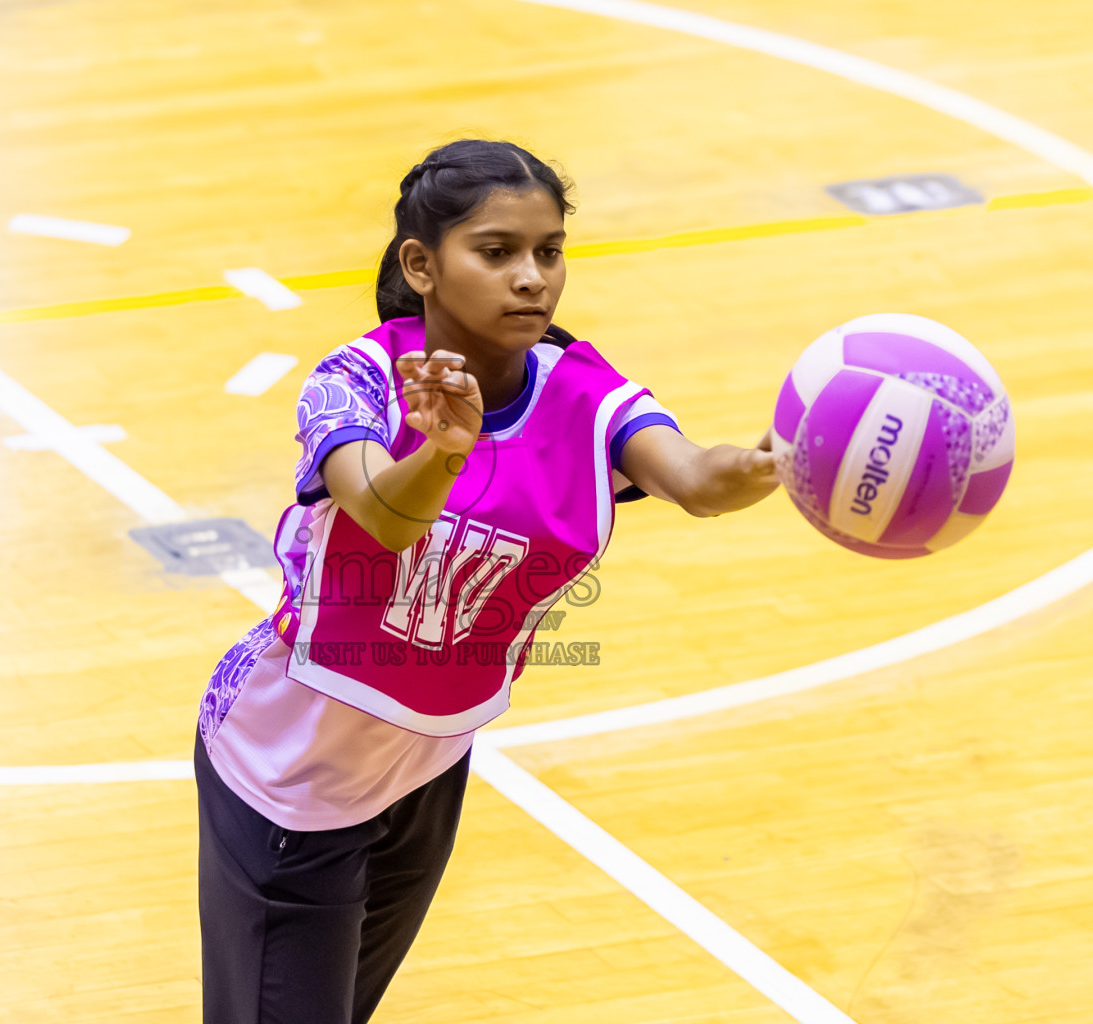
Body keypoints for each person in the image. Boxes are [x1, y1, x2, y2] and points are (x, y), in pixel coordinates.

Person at [195, 138, 778, 1024]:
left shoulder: (584, 395)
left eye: (549, 253)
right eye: (498, 252)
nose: (532, 279)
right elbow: (381, 520)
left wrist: (787, 461)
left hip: (426, 764)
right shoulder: (356, 382)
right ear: (422, 266)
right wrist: (443, 451)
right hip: (290, 772)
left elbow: (698, 479)